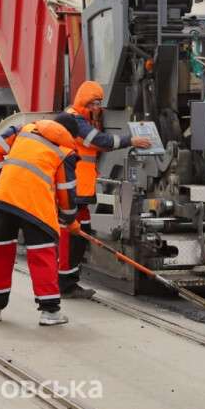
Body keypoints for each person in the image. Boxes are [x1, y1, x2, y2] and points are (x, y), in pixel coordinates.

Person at [0, 114, 80, 326]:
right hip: (36, 207)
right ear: (71, 134)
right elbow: (66, 193)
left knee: (1, 251)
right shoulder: (65, 152)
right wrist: (70, 220)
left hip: (5, 198)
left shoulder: (25, 129)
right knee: (41, 255)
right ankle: (50, 312)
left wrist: (3, 178)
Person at [61, 81, 151, 298]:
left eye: (99, 104)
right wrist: (132, 140)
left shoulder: (83, 119)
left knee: (79, 234)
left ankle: (68, 281)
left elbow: (96, 145)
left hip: (80, 188)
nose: (96, 108)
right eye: (93, 103)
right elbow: (98, 140)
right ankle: (65, 284)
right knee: (72, 236)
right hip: (73, 188)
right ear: (83, 101)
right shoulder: (75, 119)